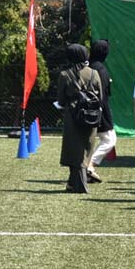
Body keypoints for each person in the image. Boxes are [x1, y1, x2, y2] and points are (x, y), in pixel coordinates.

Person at [56, 44, 101, 194]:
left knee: (73, 150)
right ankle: (72, 183)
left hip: (73, 116)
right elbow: (100, 96)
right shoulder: (94, 74)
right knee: (86, 148)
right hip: (91, 116)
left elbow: (61, 100)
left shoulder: (65, 75)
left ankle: (80, 185)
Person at [87, 39, 116, 184]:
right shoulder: (101, 70)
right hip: (100, 110)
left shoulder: (89, 66)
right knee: (110, 140)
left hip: (87, 110)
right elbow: (103, 95)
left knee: (90, 141)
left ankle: (87, 166)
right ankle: (90, 165)